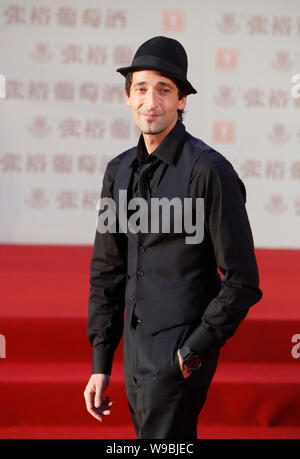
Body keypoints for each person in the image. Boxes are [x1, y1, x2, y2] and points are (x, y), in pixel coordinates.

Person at [83, 36, 263, 439]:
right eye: (141, 89)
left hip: (178, 350)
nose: (151, 101)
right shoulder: (119, 171)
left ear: (182, 100)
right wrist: (101, 362)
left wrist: (193, 349)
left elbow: (243, 280)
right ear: (127, 97)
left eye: (164, 90)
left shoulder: (209, 171)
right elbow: (108, 269)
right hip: (133, 347)